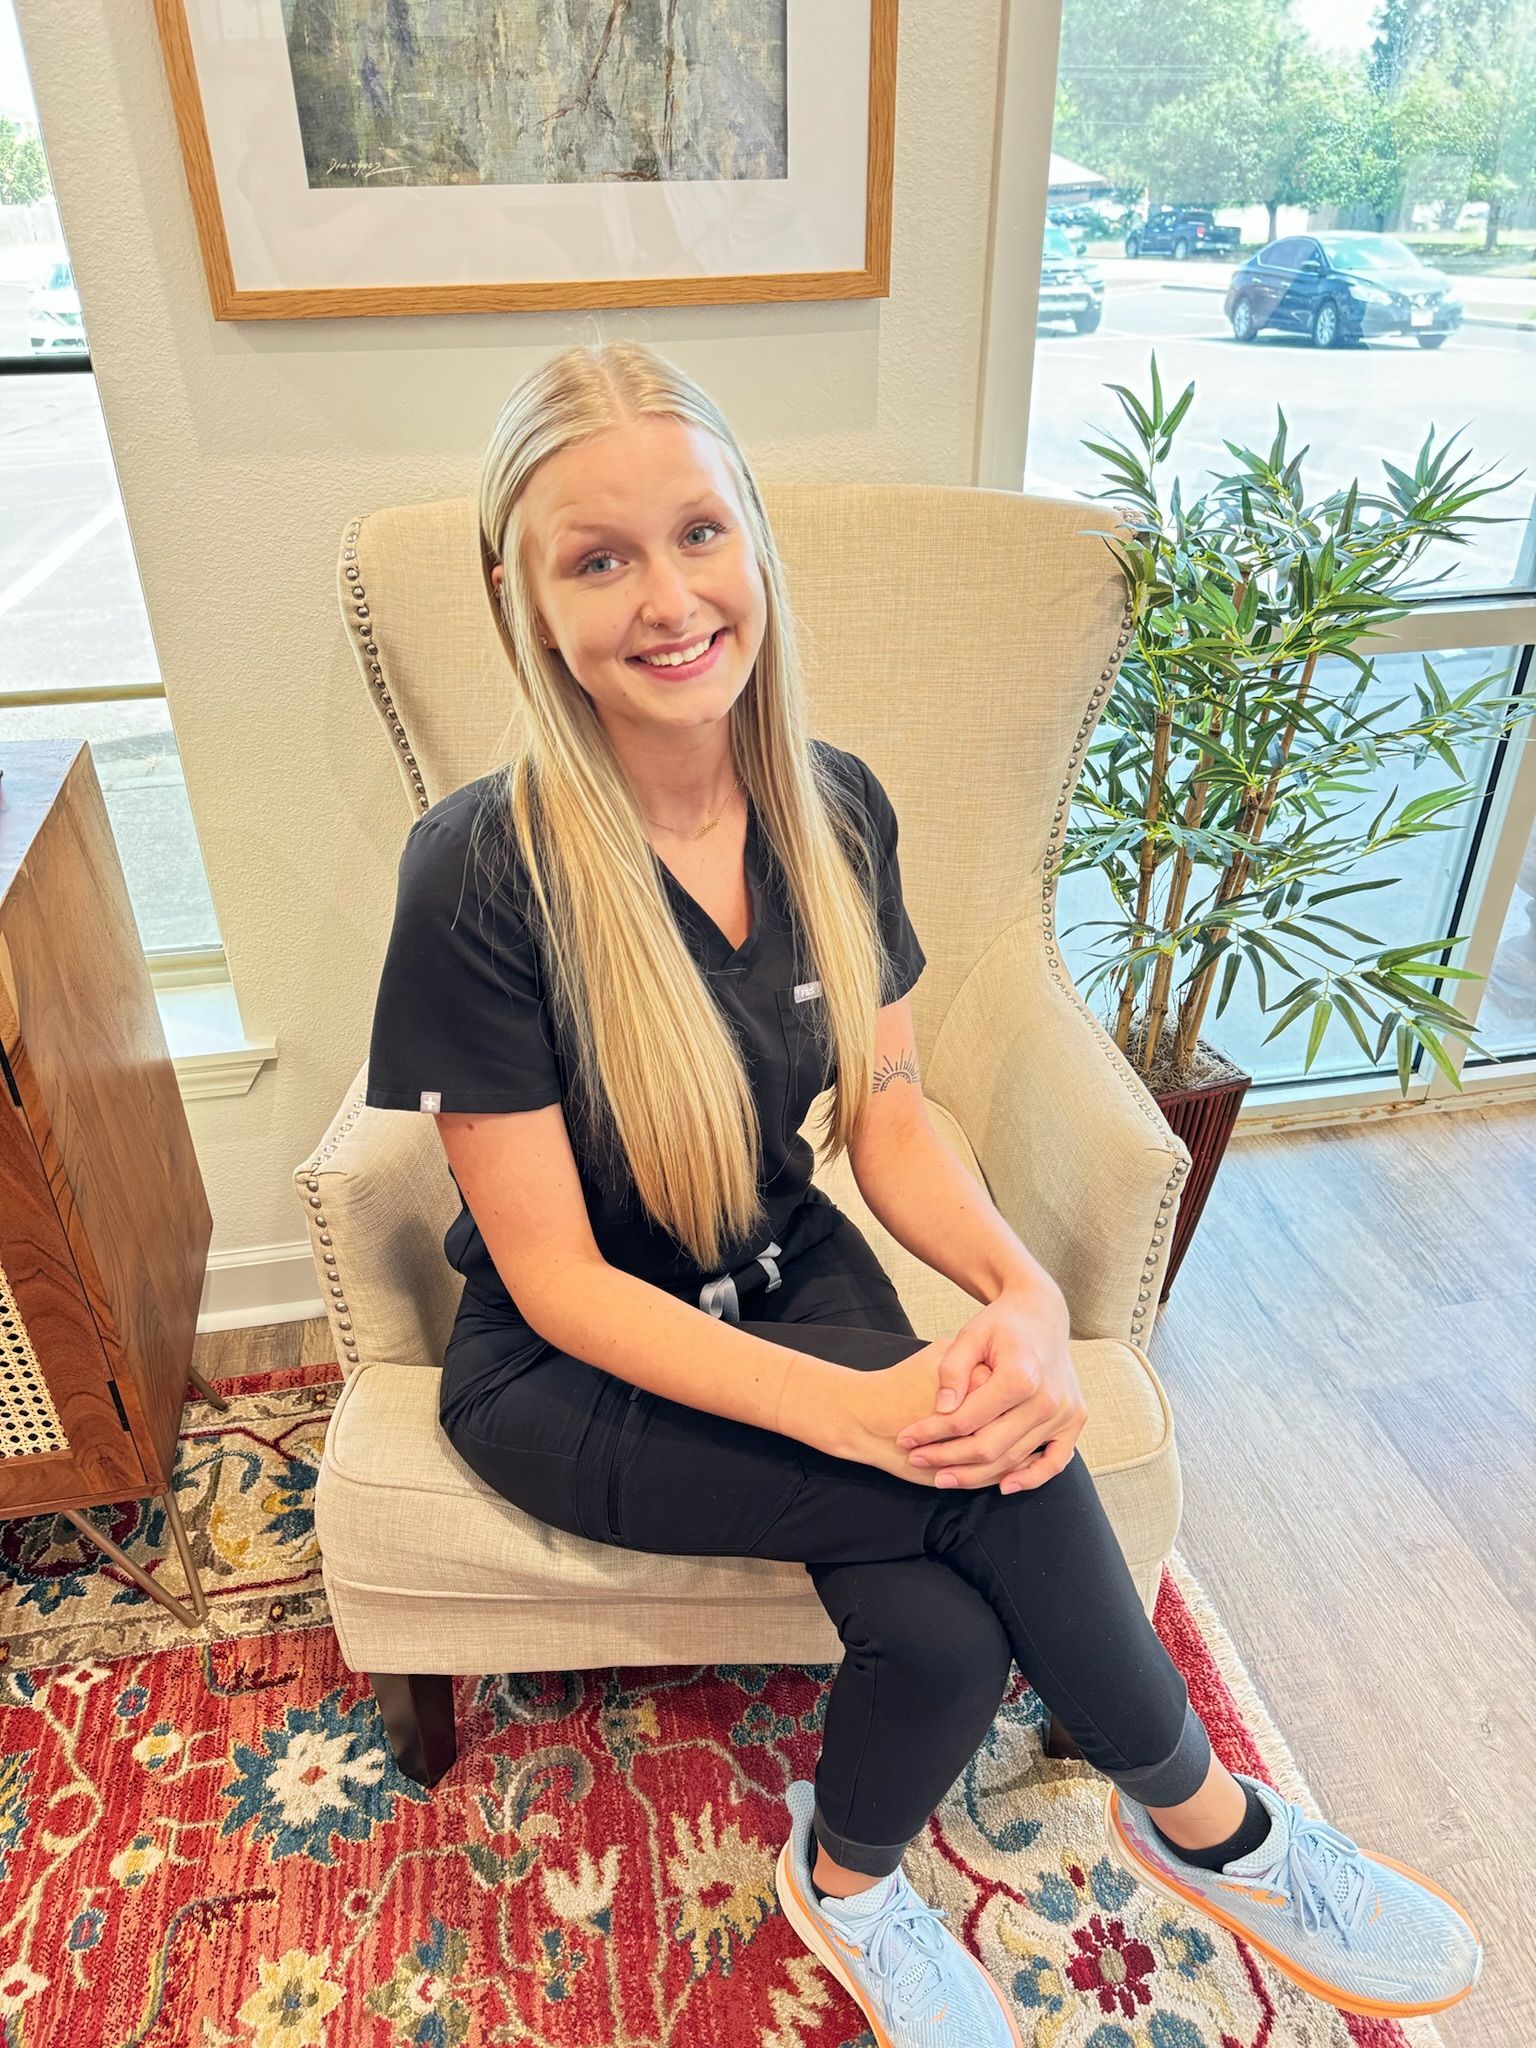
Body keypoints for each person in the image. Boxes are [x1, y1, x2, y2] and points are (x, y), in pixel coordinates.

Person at [362, 339, 1483, 2041]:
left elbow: (887, 1109)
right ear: (521, 595)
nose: (669, 598)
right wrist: (861, 1411)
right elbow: (564, 1278)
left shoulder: (833, 808)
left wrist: (1022, 1299)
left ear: (754, 541)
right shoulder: (479, 869)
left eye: (698, 533)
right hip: (571, 1365)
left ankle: (850, 1882)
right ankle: (1214, 1825)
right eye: (598, 558)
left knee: (950, 1639)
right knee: (981, 1485)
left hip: (786, 1261)